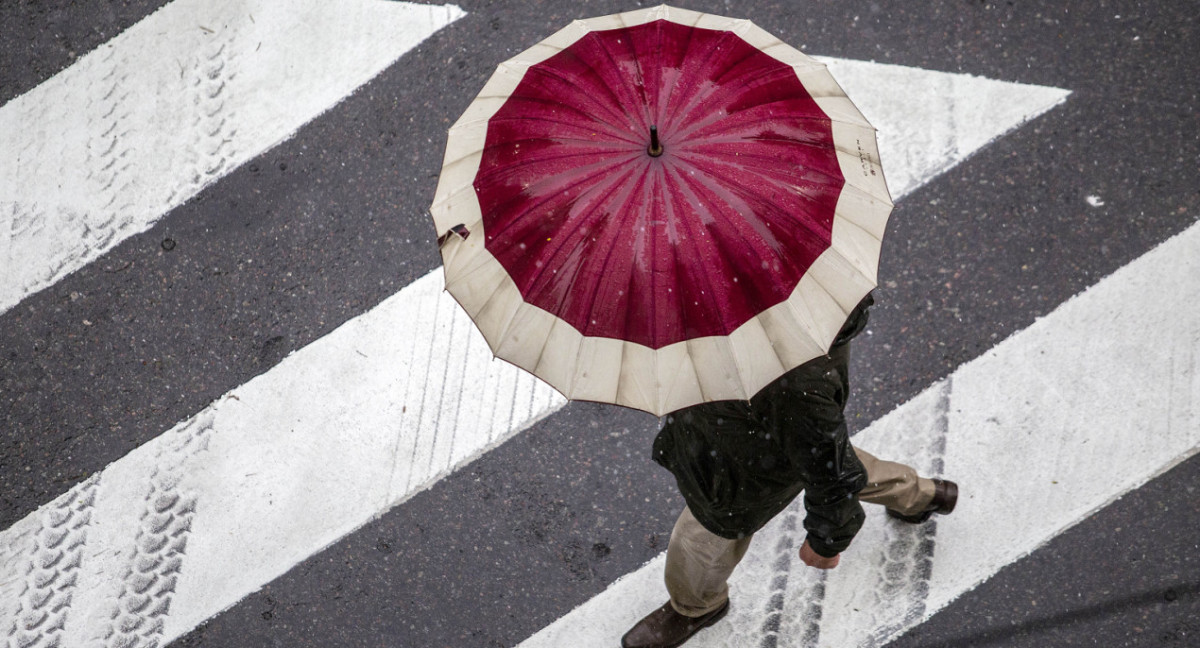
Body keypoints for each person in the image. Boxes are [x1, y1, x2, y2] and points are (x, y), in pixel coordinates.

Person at [621, 294, 958, 648]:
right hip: (762, 436)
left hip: (745, 465)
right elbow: (825, 455)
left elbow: (834, 475)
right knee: (820, 457)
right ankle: (919, 496)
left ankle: (695, 605)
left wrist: (826, 540)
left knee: (699, 540)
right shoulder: (792, 303)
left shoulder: (791, 381)